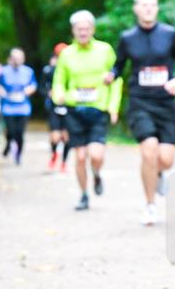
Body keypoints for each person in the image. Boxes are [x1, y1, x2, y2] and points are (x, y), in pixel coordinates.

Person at [105, 0, 175, 226]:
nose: (147, 9)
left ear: (157, 8)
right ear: (135, 8)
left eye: (151, 5)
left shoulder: (170, 34)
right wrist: (110, 75)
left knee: (165, 160)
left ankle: (159, 173)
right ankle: (150, 205)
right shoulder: (127, 37)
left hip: (165, 103)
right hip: (140, 102)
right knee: (148, 150)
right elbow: (119, 66)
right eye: (143, 5)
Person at [52, 11, 123, 211]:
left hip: (98, 109)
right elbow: (59, 81)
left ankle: (97, 174)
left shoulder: (105, 50)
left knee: (96, 155)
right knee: (80, 156)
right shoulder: (66, 54)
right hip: (75, 109)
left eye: (86, 28)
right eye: (78, 29)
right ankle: (84, 194)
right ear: (73, 31)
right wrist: (58, 94)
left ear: (92, 29)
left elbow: (116, 79)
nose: (83, 32)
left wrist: (113, 106)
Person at [0, 48, 37, 166]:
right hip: (8, 107)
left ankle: (18, 155)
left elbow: (33, 85)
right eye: (14, 58)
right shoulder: (3, 71)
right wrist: (2, 92)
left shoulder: (28, 71)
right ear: (10, 59)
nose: (17, 60)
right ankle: (8, 143)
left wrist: (28, 91)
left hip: (23, 107)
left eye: (19, 58)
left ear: (23, 59)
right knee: (10, 131)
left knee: (19, 132)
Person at [41, 43, 71, 172]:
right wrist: (48, 93)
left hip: (69, 107)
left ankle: (64, 162)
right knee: (55, 137)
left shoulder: (73, 69)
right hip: (54, 107)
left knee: (66, 137)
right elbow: (41, 87)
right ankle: (54, 154)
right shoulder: (49, 70)